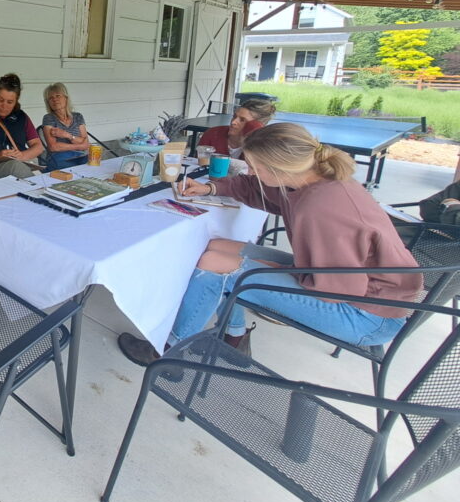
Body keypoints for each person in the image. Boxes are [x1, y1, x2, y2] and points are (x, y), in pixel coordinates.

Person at [118, 122, 421, 366]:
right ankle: (234, 337)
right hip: (354, 285)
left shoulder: (318, 207)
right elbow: (256, 189)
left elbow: (337, 288)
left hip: (363, 314)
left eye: (255, 167)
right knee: (217, 247)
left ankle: (168, 354)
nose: (251, 172)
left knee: (215, 267)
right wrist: (210, 186)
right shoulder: (312, 180)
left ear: (278, 168)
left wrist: (270, 267)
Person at [198, 98, 276, 158]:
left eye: (242, 120)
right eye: (234, 116)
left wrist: (250, 141)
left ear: (256, 125)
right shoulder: (212, 134)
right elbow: (197, 163)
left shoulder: (263, 145)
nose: (233, 122)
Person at [41, 82, 90, 171]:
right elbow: (53, 147)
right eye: (51, 98)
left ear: (66, 98)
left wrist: (67, 135)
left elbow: (86, 144)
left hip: (81, 156)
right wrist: (78, 145)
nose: (54, 99)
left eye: (58, 96)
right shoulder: (49, 118)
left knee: (93, 169)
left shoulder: (78, 116)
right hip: (59, 158)